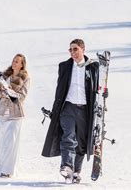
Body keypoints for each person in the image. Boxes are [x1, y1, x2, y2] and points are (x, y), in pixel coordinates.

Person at [42, 39, 99, 184]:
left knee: (81, 142)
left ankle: (76, 172)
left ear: (83, 49)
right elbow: (59, 89)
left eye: (75, 49)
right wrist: (55, 110)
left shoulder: (93, 67)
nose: (72, 52)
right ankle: (67, 166)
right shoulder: (64, 66)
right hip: (67, 107)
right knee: (68, 137)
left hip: (85, 110)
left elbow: (98, 88)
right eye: (70, 50)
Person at [0, 54, 30, 177]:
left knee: (11, 142)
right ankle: (1, 168)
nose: (14, 63)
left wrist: (9, 91)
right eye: (13, 60)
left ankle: (8, 171)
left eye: (17, 61)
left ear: (22, 64)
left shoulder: (26, 78)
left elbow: (22, 96)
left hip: (16, 113)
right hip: (2, 111)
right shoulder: (4, 76)